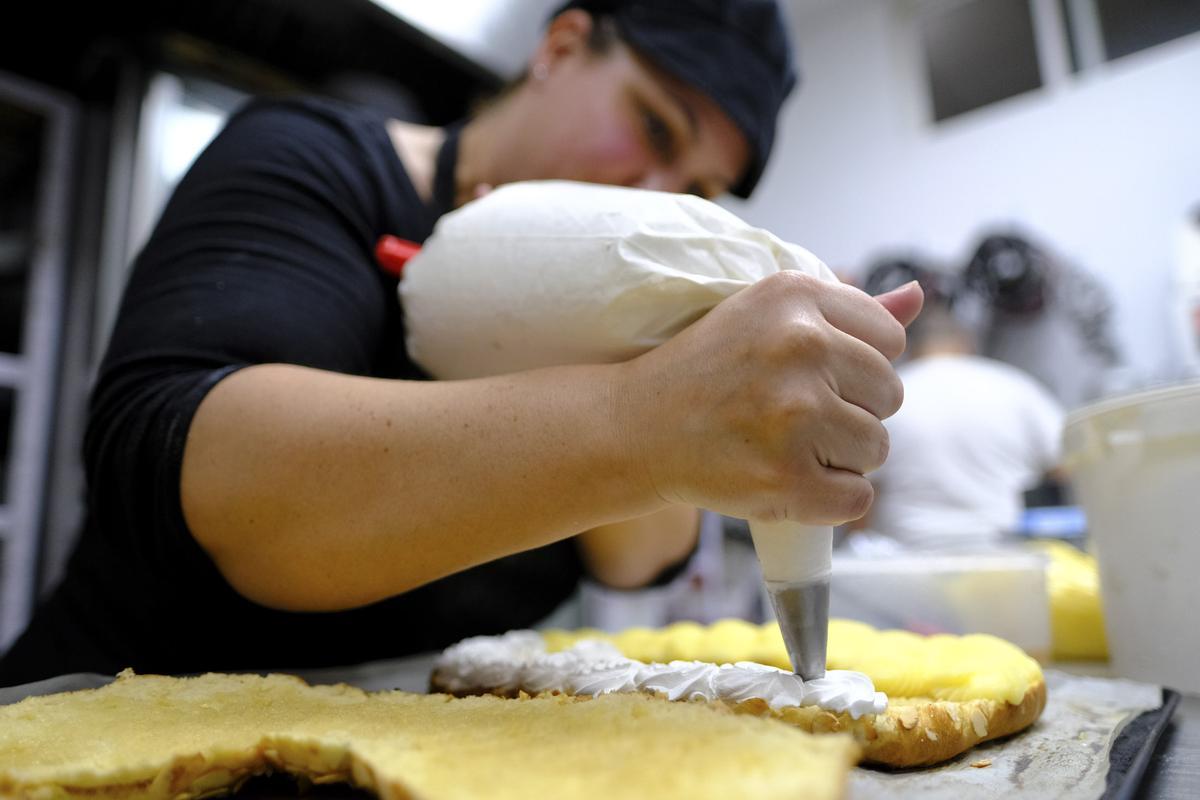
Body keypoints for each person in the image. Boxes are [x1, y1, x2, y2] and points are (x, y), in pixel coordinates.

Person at [0, 0, 923, 685]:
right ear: (562, 48)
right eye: (653, 125)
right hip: (104, 725)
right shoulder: (318, 161)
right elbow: (193, 469)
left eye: (699, 186)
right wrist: (639, 419)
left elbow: (635, 558)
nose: (659, 191)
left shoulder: (627, 300)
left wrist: (648, 349)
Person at [860, 289, 1063, 550]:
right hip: (1006, 558)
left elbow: (859, 500)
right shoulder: (1015, 386)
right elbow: (1069, 467)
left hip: (908, 561)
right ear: (967, 342)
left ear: (908, 348)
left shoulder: (884, 396)